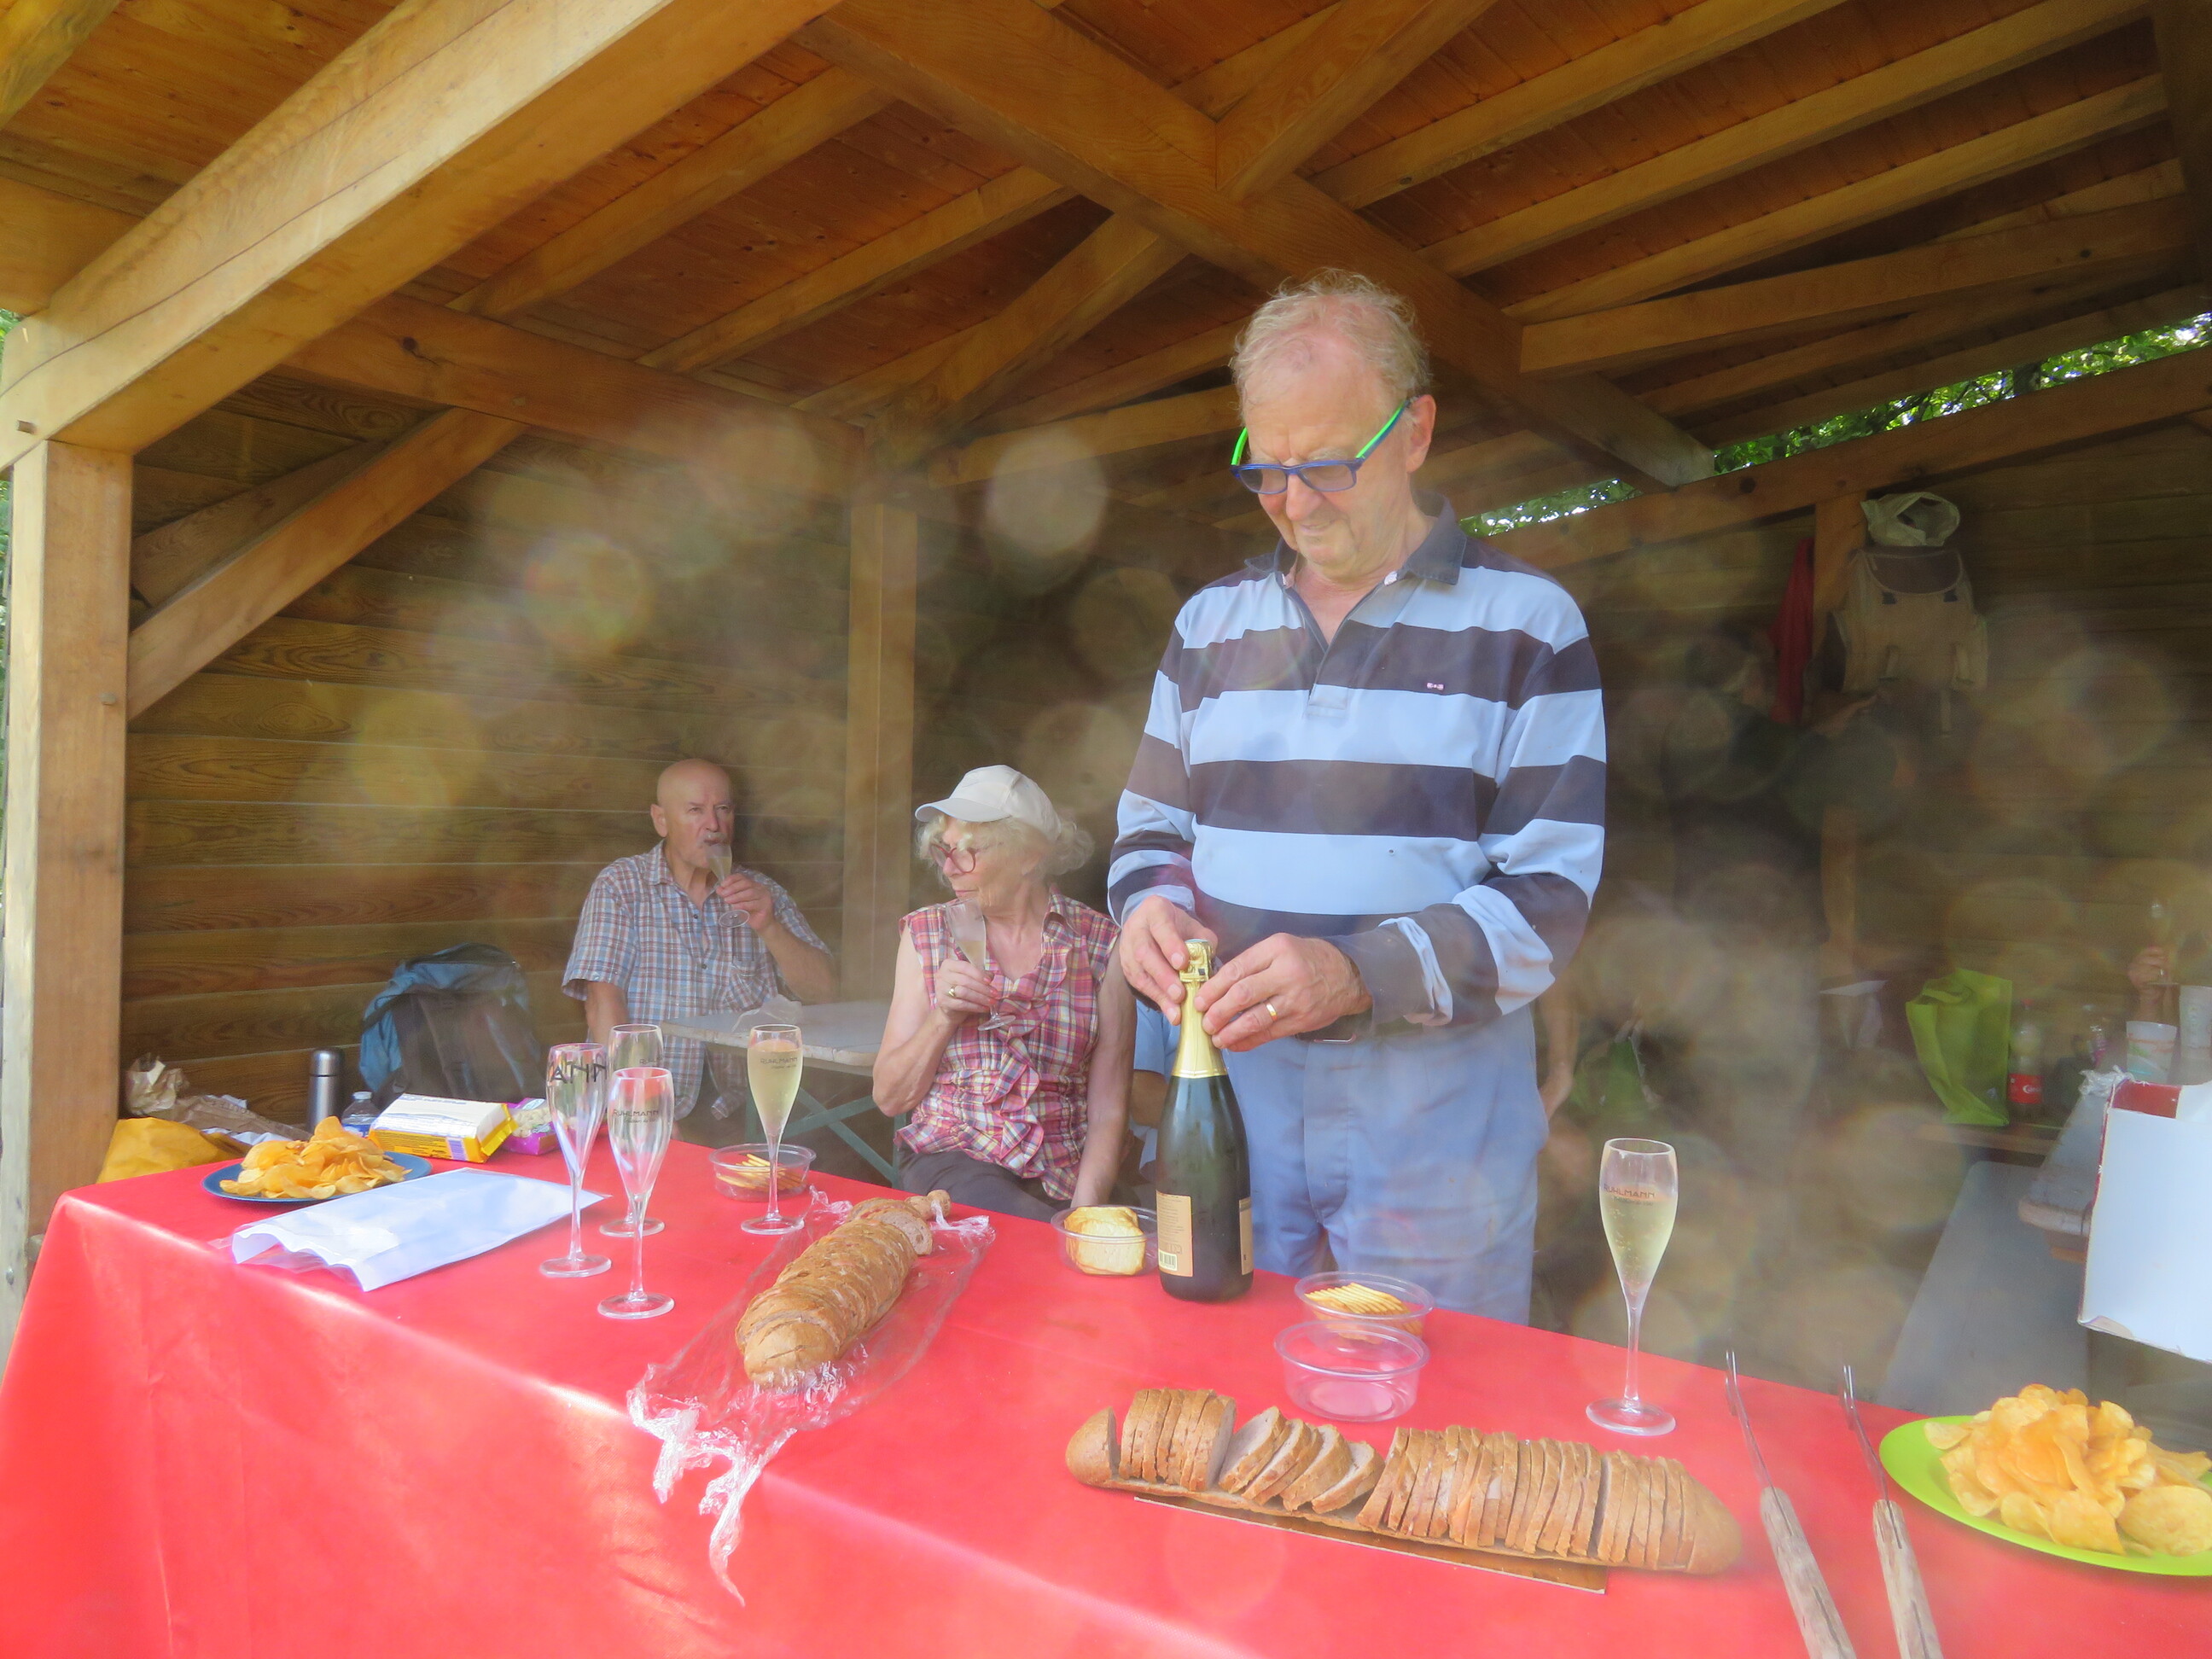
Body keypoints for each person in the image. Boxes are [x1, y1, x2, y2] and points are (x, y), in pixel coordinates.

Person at [1109, 271, 1602, 1319]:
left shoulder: (1529, 624)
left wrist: (1353, 973)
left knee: (1439, 1394)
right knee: (1231, 1367)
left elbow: (1551, 901)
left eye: (1327, 466)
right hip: (1235, 1089)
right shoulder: (1208, 627)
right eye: (1265, 469)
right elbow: (1152, 830)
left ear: (1415, 433)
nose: (1294, 503)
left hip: (1436, 1106)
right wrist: (1148, 906)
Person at [874, 766, 1132, 1220]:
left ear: (1029, 855)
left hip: (1063, 1175)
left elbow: (1109, 1109)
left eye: (968, 852)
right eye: (943, 850)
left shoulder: (1102, 945)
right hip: (956, 1159)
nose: (949, 868)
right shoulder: (927, 933)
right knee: (1018, 1226)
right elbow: (890, 1098)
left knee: (1146, 1242)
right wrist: (943, 1017)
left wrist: (1084, 1217)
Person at [563, 759, 835, 1138]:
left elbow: (824, 990)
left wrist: (770, 927)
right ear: (661, 820)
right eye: (695, 810)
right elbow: (602, 1001)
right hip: (649, 1094)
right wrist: (638, 1100)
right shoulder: (621, 885)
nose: (714, 825)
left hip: (740, 1106)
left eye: (723, 809)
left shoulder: (761, 892)